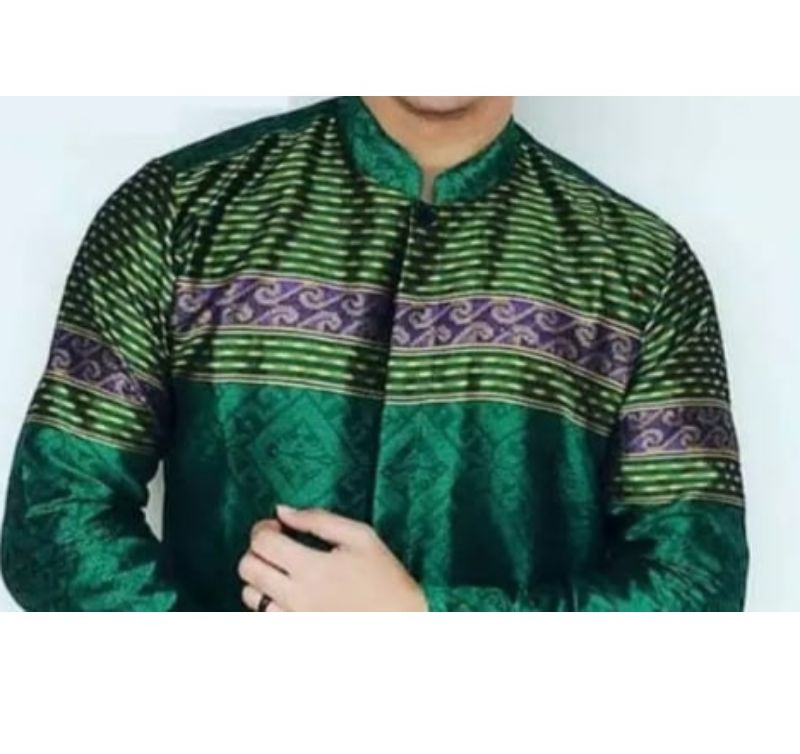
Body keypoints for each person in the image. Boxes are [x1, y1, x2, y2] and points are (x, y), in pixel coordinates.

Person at [0, 96, 749, 611]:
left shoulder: (643, 268)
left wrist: (424, 626)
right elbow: (54, 515)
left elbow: (696, 582)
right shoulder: (177, 210)